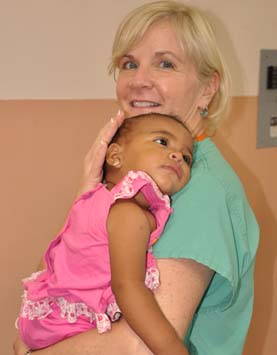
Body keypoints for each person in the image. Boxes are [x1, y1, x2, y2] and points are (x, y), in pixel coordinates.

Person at [14, 1, 259, 354]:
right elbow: (58, 276)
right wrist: (84, 193)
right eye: (129, 64)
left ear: (207, 88)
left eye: (165, 63)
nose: (139, 80)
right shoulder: (138, 170)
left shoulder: (199, 188)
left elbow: (136, 345)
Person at [16, 113, 194, 354]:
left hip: (47, 321)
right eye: (162, 142)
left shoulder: (93, 199)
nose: (177, 156)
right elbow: (128, 288)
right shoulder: (126, 213)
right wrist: (172, 349)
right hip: (70, 329)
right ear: (115, 156)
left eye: (187, 157)